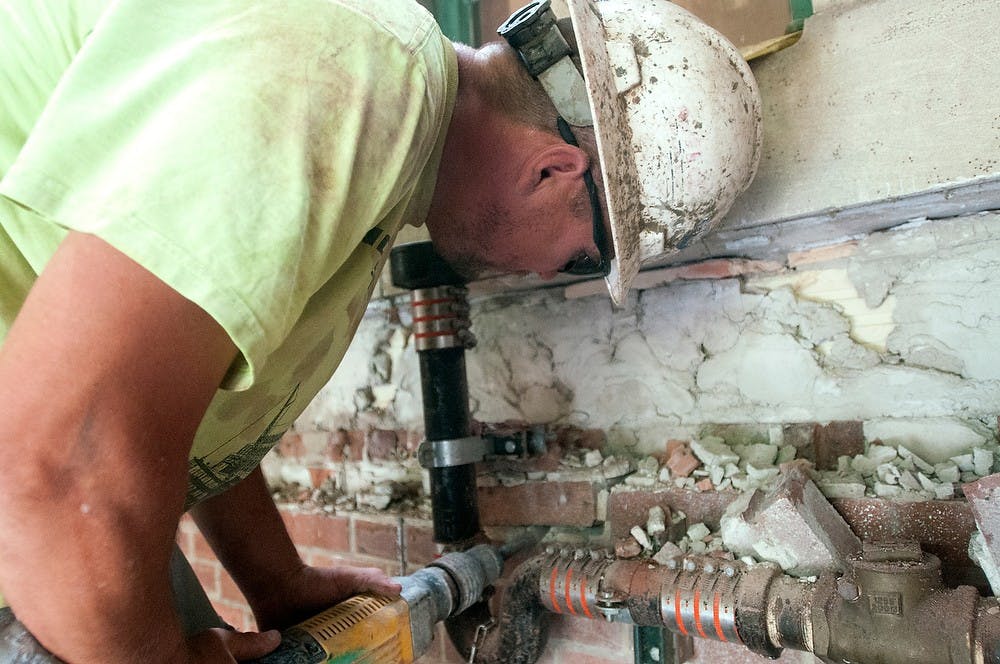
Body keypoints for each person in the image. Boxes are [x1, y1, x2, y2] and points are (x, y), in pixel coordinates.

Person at [0, 0, 761, 661]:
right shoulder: (352, 78)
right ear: (554, 172)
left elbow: (168, 397)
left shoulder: (383, 118)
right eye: (577, 258)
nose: (541, 274)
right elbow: (64, 468)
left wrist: (277, 581)